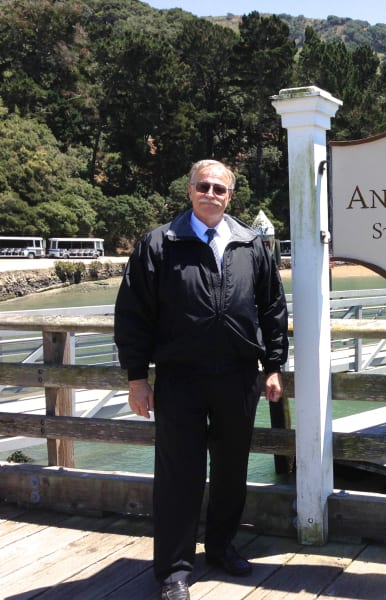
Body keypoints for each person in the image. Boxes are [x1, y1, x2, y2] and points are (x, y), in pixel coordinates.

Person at [114, 159, 289, 600]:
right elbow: (133, 315)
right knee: (178, 474)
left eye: (220, 188)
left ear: (231, 195)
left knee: (231, 469)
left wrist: (273, 366)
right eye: (203, 186)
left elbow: (271, 309)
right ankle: (173, 568)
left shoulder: (252, 244)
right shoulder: (159, 243)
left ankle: (222, 547)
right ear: (190, 190)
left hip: (238, 377)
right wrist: (137, 378)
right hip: (180, 379)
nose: (211, 194)